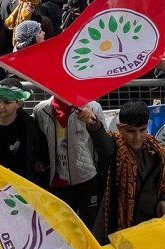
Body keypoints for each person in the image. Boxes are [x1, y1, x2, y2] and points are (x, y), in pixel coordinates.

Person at [33, 95, 113, 231]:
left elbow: (107, 148)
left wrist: (93, 123)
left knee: (90, 230)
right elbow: (37, 145)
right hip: (55, 184)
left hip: (87, 180)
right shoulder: (40, 110)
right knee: (62, 232)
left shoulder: (93, 107)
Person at [101, 101, 165, 237]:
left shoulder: (156, 150)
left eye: (142, 130)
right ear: (120, 128)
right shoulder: (114, 149)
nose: (137, 137)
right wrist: (93, 125)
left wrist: (164, 200)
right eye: (131, 131)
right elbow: (101, 141)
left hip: (153, 222)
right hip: (123, 228)